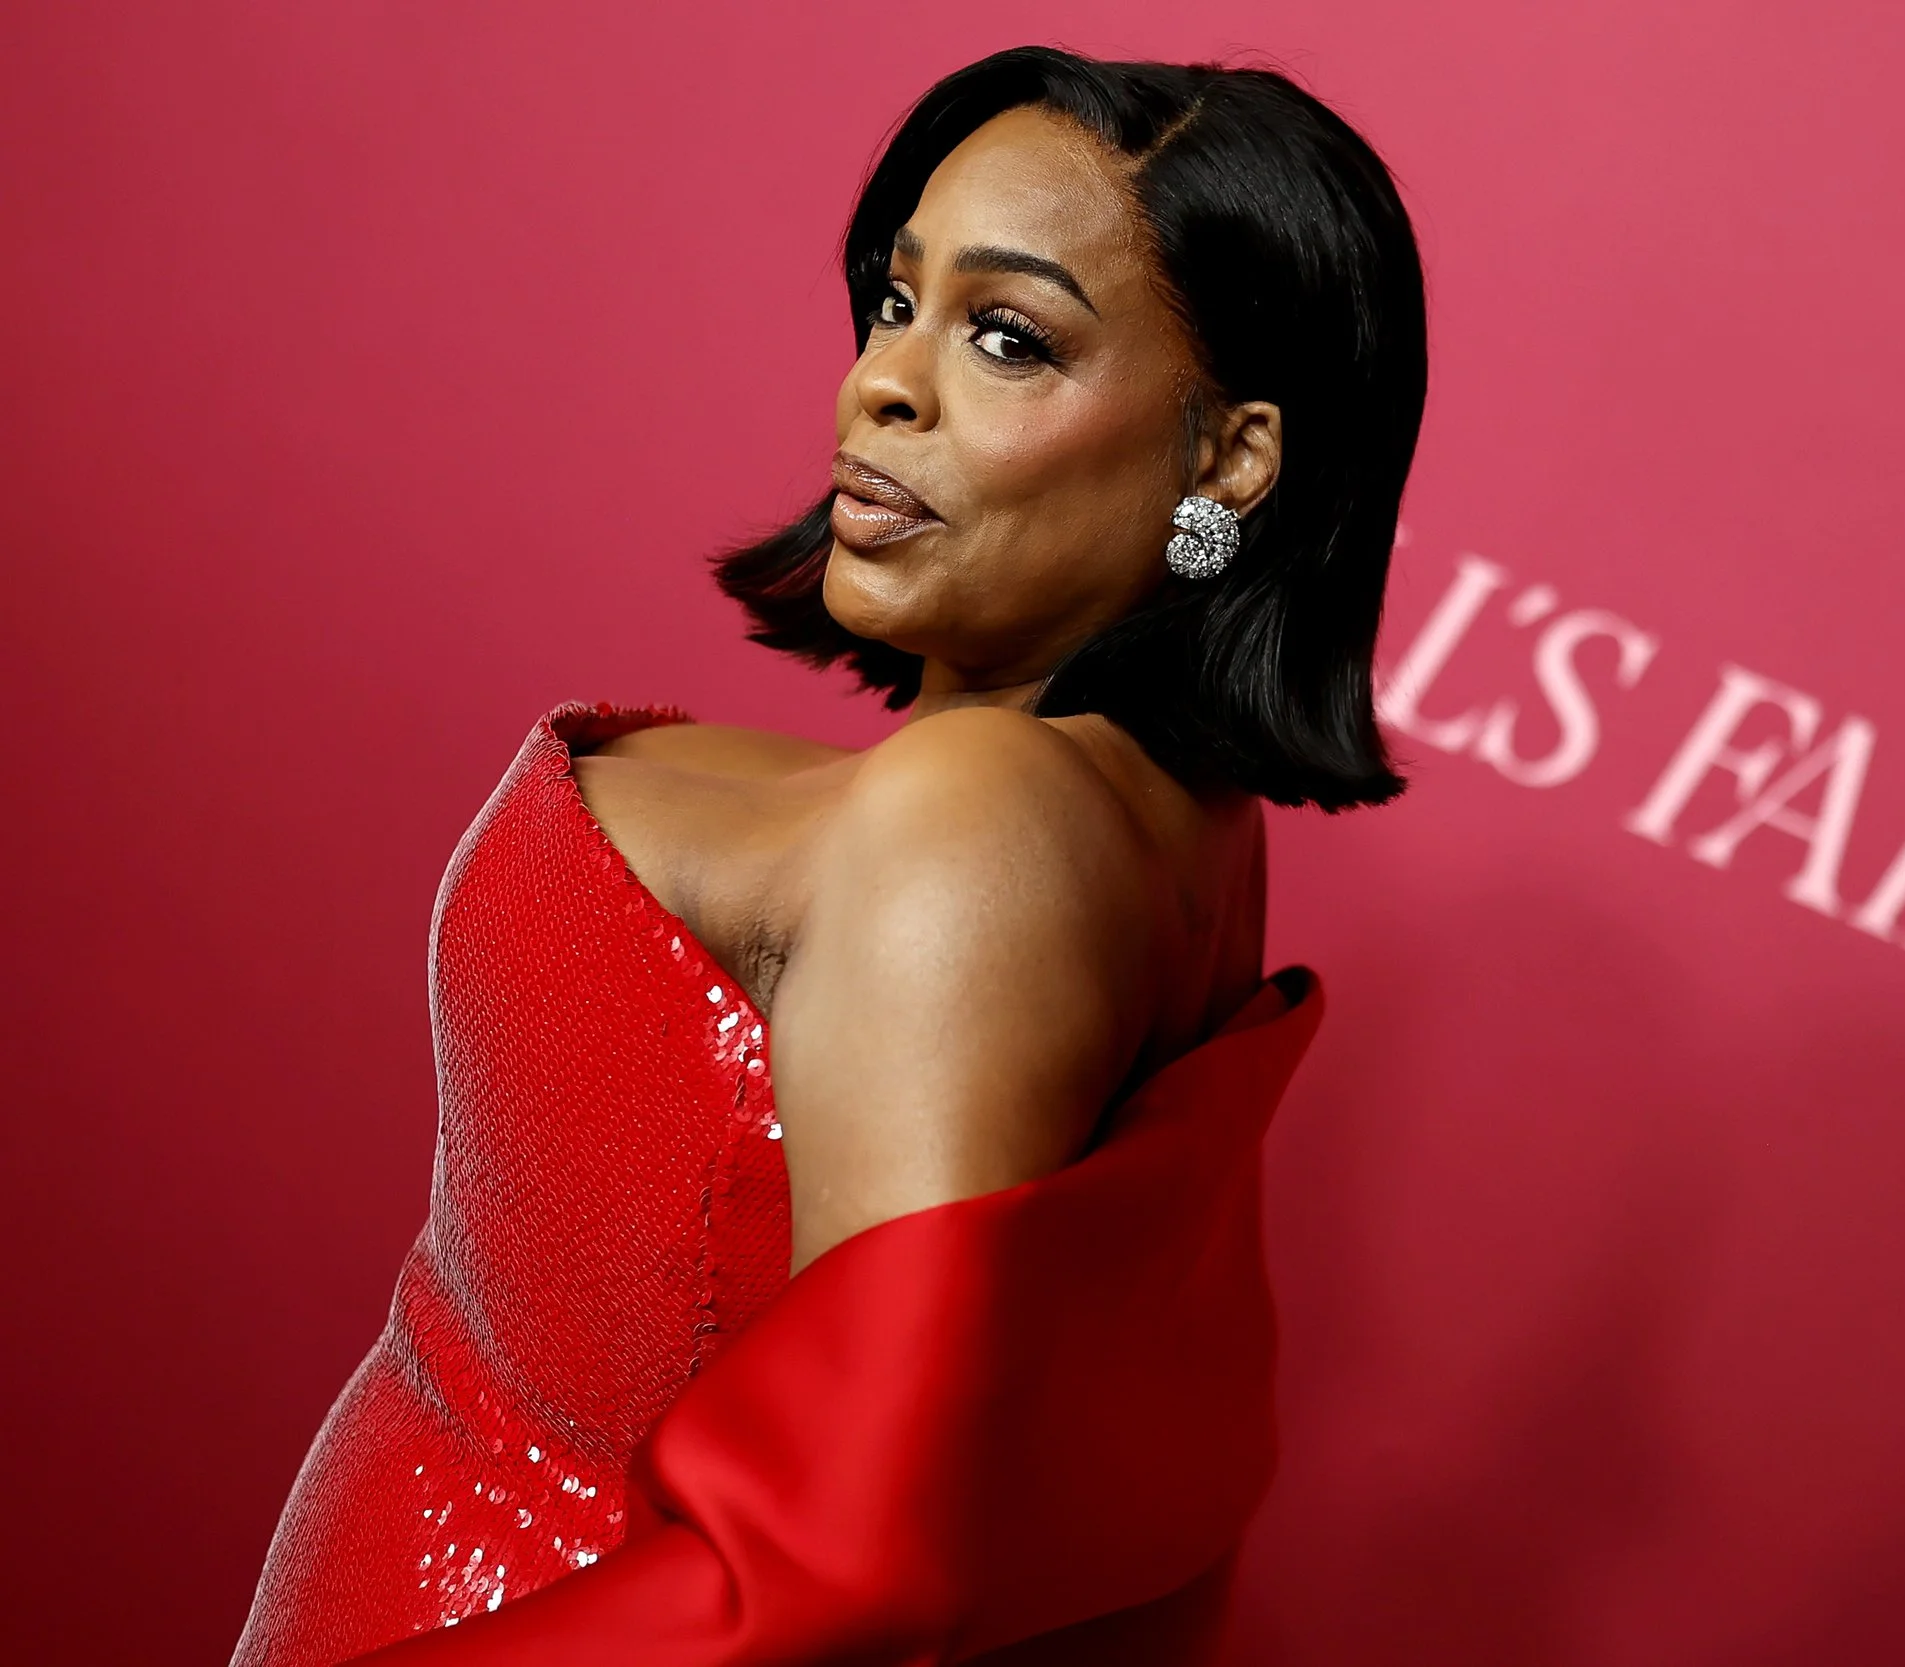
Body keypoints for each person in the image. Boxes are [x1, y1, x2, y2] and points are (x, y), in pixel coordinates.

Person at [229, 43, 1429, 1667]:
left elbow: (841, 1571)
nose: (885, 381)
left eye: (1009, 337)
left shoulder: (976, 821)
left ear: (1229, 461)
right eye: (893, 298)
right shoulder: (1182, 828)